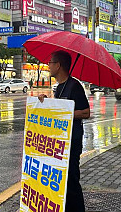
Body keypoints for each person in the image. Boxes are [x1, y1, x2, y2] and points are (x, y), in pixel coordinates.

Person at [38, 50, 90, 212]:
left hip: (72, 142)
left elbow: (86, 112)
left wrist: (64, 112)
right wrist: (46, 102)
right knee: (61, 180)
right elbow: (57, 111)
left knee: (72, 180)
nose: (48, 66)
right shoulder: (59, 88)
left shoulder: (74, 86)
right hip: (59, 142)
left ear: (58, 65)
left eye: (51, 63)